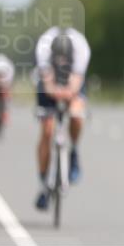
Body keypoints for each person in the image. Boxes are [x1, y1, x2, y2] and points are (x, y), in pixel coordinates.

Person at [34, 26, 91, 211]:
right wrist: (54, 92)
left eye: (65, 59)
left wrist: (68, 94)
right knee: (47, 129)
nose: (61, 61)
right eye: (58, 59)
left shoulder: (81, 48)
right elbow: (47, 81)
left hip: (71, 84)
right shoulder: (43, 48)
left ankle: (74, 151)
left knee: (76, 115)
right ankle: (44, 184)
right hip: (49, 85)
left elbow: (76, 82)